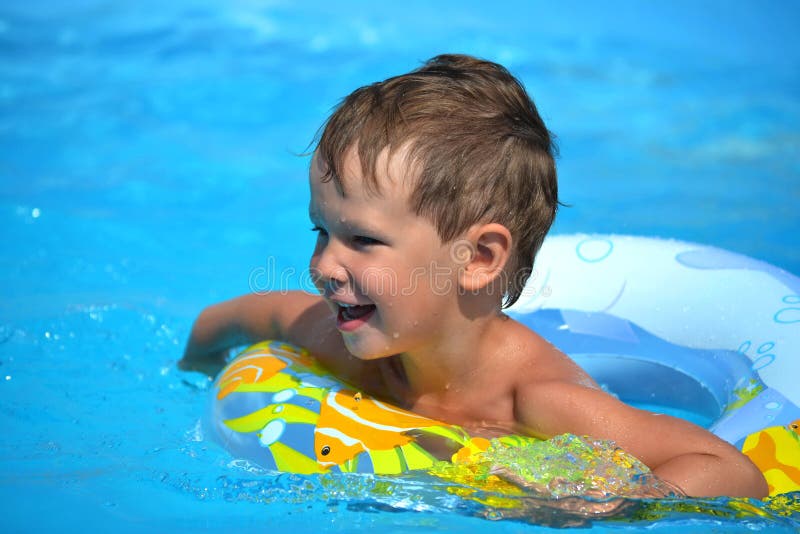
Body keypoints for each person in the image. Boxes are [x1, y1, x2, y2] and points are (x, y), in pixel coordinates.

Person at [179, 54, 767, 499]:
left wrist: (607, 501)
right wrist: (191, 373)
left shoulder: (540, 403)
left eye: (362, 240)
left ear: (480, 258)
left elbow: (730, 471)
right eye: (320, 232)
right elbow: (222, 321)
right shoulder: (340, 343)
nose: (324, 266)